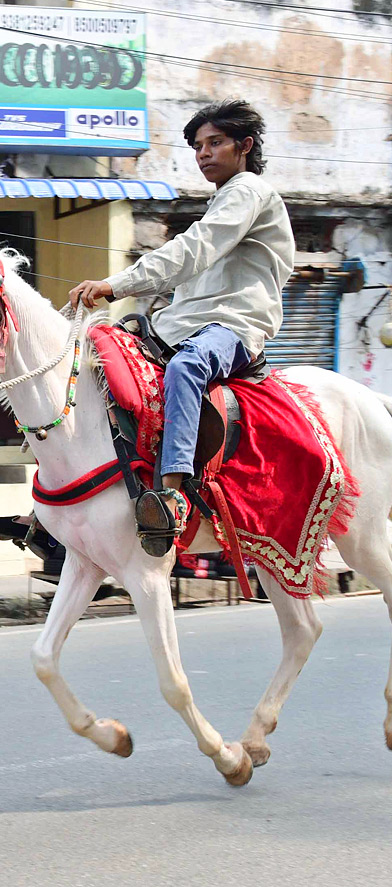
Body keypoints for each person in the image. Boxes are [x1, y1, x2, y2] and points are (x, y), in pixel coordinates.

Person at [69, 99, 294, 557]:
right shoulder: (220, 203)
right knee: (100, 359)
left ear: (245, 145)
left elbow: (192, 250)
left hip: (232, 326)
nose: (203, 153)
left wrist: (114, 285)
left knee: (186, 368)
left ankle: (170, 494)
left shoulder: (248, 192)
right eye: (197, 146)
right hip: (183, 324)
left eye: (215, 142)